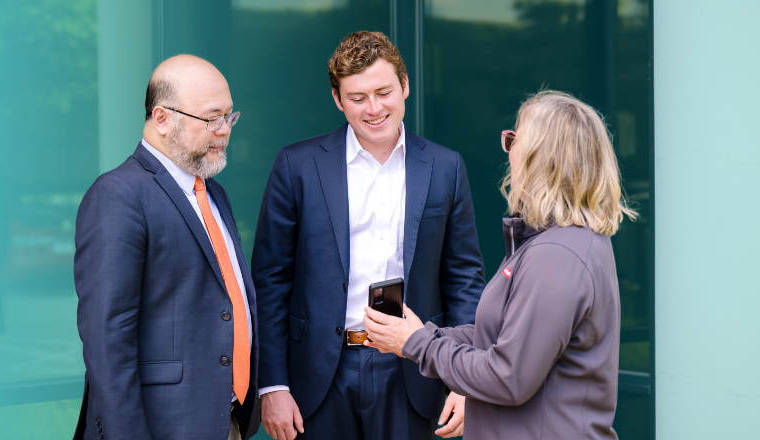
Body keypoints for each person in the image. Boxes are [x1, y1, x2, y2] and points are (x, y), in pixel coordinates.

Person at [364, 90, 638, 440]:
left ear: (542, 157)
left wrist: (417, 343)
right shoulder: (557, 242)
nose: (508, 152)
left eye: (514, 140)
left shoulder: (556, 255)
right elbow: (497, 335)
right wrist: (419, 334)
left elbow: (508, 378)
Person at [252, 31, 486, 440]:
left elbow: (464, 280)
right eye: (358, 98)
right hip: (319, 376)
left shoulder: (446, 167)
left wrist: (465, 379)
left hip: (415, 368)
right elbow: (270, 282)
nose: (374, 109)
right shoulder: (296, 166)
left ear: (405, 85)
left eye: (384, 92)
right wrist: (273, 385)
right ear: (337, 99)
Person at [73, 55, 260, 440]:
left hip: (224, 421)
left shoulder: (214, 193)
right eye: (211, 119)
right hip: (162, 427)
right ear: (161, 119)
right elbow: (108, 344)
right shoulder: (118, 194)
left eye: (229, 116)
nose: (224, 130)